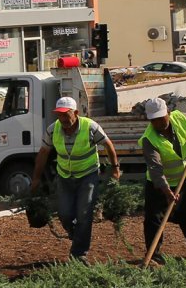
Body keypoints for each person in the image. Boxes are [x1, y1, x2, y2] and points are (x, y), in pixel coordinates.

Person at [30, 96, 120, 262]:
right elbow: (43, 153)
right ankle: (76, 233)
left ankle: (79, 254)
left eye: (66, 114)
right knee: (64, 214)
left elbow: (108, 145)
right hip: (65, 176)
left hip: (88, 175)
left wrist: (115, 169)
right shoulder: (52, 129)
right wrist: (36, 178)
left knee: (84, 214)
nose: (63, 119)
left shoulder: (90, 127)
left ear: (76, 113)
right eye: (59, 115)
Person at [139, 97, 186, 265]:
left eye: (161, 118)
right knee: (154, 220)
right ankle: (153, 257)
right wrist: (167, 191)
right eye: (154, 120)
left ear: (168, 113)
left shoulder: (183, 119)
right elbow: (156, 169)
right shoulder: (148, 139)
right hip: (160, 184)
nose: (158, 123)